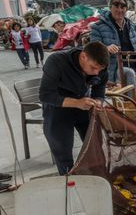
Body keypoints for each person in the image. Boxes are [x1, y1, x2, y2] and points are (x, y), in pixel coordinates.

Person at [39, 42, 109, 175]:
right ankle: (68, 180)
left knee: (94, 143)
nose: (96, 73)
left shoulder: (101, 69)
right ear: (83, 56)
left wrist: (98, 102)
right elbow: (45, 95)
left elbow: (99, 92)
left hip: (84, 104)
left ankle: (98, 174)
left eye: (99, 70)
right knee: (62, 148)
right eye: (93, 68)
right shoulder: (57, 61)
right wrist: (77, 103)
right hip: (58, 107)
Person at [90, 0, 136, 101]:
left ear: (127, 9)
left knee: (130, 73)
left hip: (132, 67)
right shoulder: (98, 27)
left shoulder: (131, 26)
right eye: (116, 6)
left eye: (123, 6)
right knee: (129, 73)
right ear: (110, 7)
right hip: (112, 69)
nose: (120, 10)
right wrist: (106, 48)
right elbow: (92, 50)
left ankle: (132, 106)